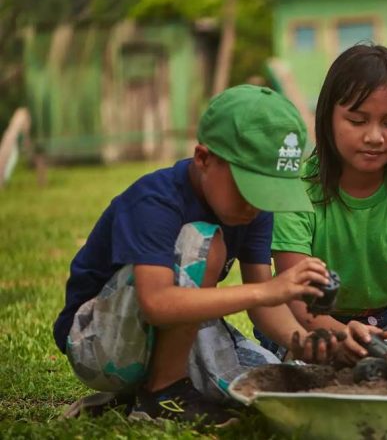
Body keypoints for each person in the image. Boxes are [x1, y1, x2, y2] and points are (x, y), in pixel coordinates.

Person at [55, 85, 363, 426]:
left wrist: (304, 342)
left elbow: (264, 307)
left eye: (269, 192)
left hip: (170, 335)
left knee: (266, 385)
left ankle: (129, 397)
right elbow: (156, 303)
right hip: (96, 344)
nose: (256, 205)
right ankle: (161, 393)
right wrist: (269, 290)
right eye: (249, 188)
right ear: (203, 158)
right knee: (203, 240)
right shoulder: (155, 201)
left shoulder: (254, 210)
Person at [255, 44, 387, 357]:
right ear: (328, 119)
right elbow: (297, 299)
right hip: (308, 317)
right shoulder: (296, 188)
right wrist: (343, 335)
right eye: (357, 120)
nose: (374, 137)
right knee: (319, 358)